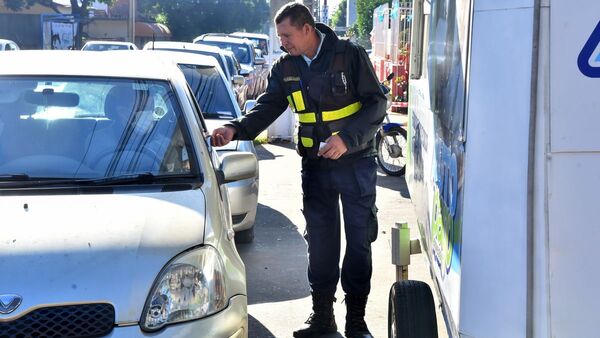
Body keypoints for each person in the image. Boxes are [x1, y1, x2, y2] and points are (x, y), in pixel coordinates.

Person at [211, 3, 386, 337]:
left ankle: (356, 321)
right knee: (320, 243)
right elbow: (268, 107)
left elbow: (377, 103)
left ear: (307, 29)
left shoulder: (348, 55)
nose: (283, 43)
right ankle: (322, 319)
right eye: (280, 37)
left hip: (356, 163)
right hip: (316, 167)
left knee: (359, 242)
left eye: (287, 35)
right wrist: (235, 129)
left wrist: (347, 140)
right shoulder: (285, 67)